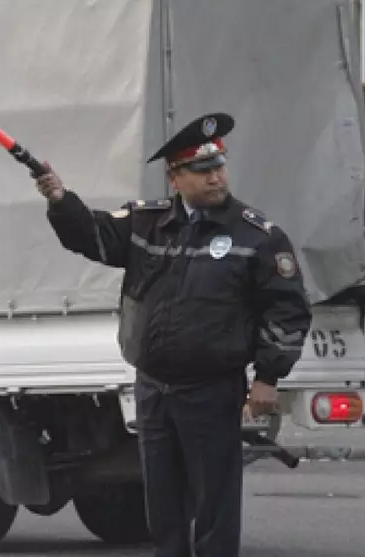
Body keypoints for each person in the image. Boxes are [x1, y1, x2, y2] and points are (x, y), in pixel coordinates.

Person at [35, 112, 312, 557]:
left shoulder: (256, 235)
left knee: (213, 502)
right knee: (162, 505)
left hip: (211, 389)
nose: (215, 177)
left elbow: (288, 309)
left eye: (218, 167)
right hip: (154, 388)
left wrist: (268, 377)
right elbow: (93, 236)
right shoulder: (147, 222)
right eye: (202, 170)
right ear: (175, 177)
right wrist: (60, 200)